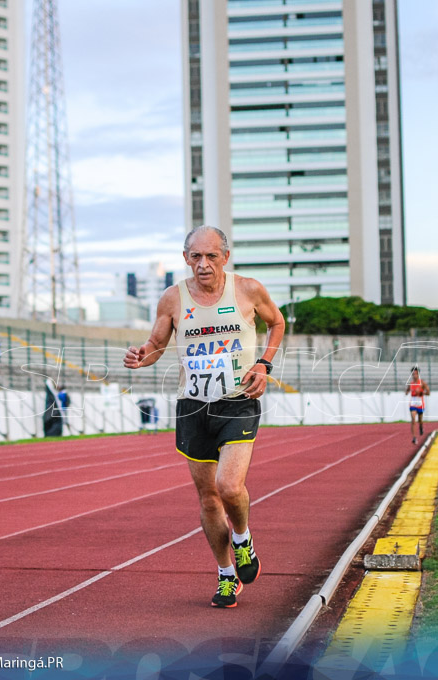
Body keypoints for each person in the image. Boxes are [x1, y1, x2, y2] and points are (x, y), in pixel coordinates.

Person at [123, 225, 285, 608]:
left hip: (237, 400)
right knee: (209, 499)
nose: (203, 264)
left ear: (225, 257)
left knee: (229, 486)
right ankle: (227, 574)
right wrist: (140, 355)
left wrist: (263, 364)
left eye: (211, 256)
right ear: (185, 259)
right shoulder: (172, 298)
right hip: (193, 407)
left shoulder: (247, 290)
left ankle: (243, 539)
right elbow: (157, 344)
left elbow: (276, 322)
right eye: (195, 256)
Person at [405, 367, 430, 444]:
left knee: (420, 420)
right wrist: (406, 392)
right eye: (413, 374)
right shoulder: (411, 384)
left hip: (420, 403)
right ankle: (414, 438)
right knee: (413, 419)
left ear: (418, 374)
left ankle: (421, 426)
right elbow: (407, 390)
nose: (414, 375)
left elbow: (428, 393)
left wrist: (422, 393)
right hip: (413, 403)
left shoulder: (422, 383)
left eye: (415, 374)